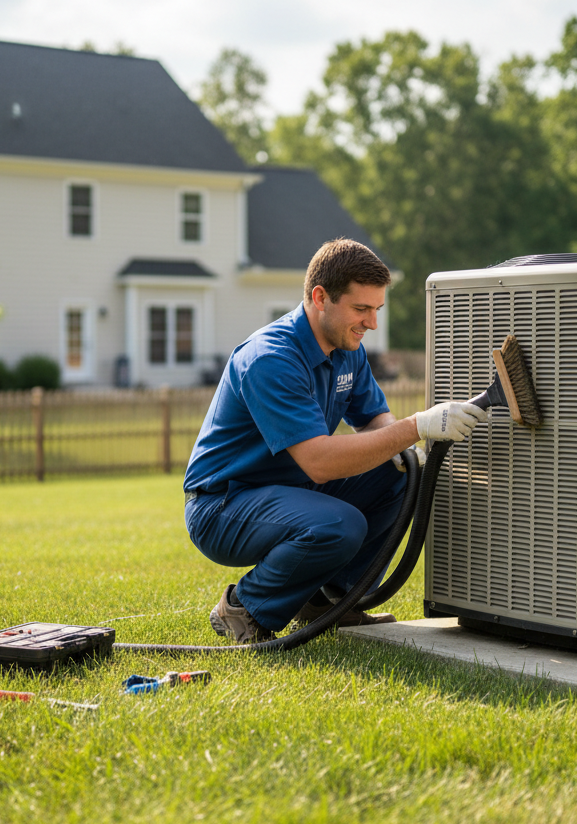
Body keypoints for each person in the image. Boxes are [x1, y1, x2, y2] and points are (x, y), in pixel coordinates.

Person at [183, 238, 488, 643]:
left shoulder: (347, 347)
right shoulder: (271, 359)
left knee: (403, 474)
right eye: (361, 309)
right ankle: (244, 608)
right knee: (339, 525)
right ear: (320, 297)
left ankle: (329, 603)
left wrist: (403, 445)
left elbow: (374, 420)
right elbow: (320, 462)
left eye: (376, 310)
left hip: (291, 490)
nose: (372, 323)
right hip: (223, 504)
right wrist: (417, 426)